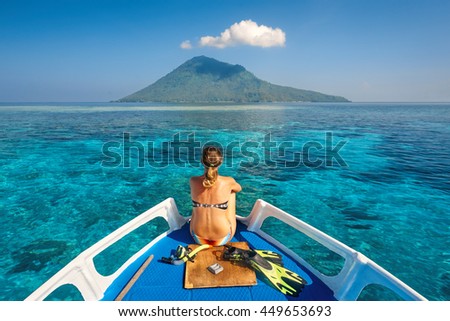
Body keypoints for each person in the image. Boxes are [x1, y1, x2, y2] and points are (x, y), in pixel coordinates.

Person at [190, 146, 242, 246]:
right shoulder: (228, 181)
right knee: (232, 192)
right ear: (220, 162)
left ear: (202, 161)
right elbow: (239, 188)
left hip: (197, 237)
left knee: (197, 202)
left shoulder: (193, 181)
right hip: (223, 238)